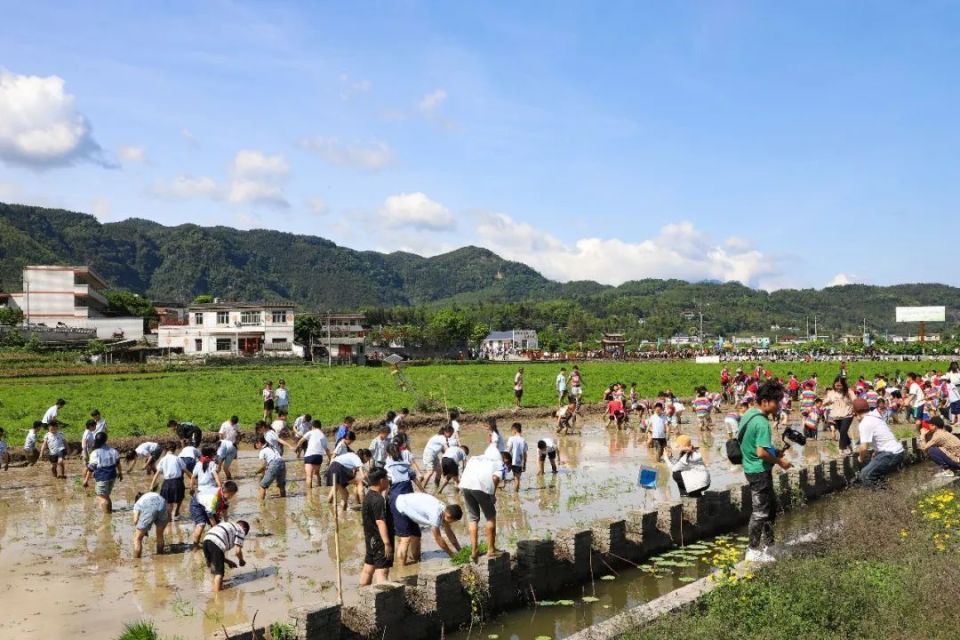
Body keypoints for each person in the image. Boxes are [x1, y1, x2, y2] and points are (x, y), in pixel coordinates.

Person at [739, 381, 792, 563]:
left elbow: (754, 445)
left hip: (751, 466)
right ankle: (753, 551)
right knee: (760, 511)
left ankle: (770, 546)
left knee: (770, 509)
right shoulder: (762, 423)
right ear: (765, 401)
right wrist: (780, 461)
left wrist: (774, 452)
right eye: (777, 402)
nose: (779, 406)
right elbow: (760, 453)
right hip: (758, 470)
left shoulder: (749, 414)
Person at [393, 492, 463, 564]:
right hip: (400, 506)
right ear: (448, 516)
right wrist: (451, 554)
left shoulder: (445, 510)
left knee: (416, 537)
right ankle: (402, 568)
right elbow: (438, 538)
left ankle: (414, 563)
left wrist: (460, 550)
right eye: (452, 521)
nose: (451, 523)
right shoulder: (435, 515)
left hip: (412, 510)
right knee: (405, 539)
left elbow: (449, 532)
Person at [458, 455, 503, 563]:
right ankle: (491, 549)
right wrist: (492, 494)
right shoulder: (500, 463)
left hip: (465, 485)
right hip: (480, 486)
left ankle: (474, 551)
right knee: (490, 517)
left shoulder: (475, 458)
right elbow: (496, 478)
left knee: (473, 518)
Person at [854, 398, 904, 489]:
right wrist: (877, 451)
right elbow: (882, 437)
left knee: (865, 475)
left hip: (890, 454)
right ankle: (890, 493)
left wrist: (860, 458)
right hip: (898, 452)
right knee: (874, 474)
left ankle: (884, 499)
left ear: (856, 413)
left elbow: (863, 448)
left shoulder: (865, 422)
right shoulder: (875, 416)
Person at [360, 468, 393, 586]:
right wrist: (387, 544)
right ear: (381, 480)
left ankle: (363, 594)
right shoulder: (378, 500)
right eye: (387, 479)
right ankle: (382, 600)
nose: (388, 481)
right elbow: (380, 522)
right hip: (379, 541)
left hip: (370, 539)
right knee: (382, 572)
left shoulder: (368, 496)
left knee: (368, 569)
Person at [203, 520, 249, 592]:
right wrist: (241, 560)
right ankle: (217, 596)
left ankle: (214, 586)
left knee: (213, 568)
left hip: (206, 540)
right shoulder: (241, 530)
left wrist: (229, 562)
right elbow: (238, 551)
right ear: (245, 529)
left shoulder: (228, 524)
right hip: (217, 542)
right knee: (219, 573)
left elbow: (218, 555)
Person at [83, 432, 122, 513]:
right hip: (112, 476)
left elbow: (91, 468)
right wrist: (120, 473)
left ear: (96, 440)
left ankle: (107, 516)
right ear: (106, 440)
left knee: (101, 497)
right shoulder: (113, 450)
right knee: (106, 496)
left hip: (102, 476)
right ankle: (109, 512)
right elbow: (118, 463)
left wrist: (86, 480)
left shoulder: (95, 452)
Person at [190, 481, 238, 546]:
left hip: (207, 504)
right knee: (201, 525)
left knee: (217, 523)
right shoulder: (214, 497)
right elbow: (210, 515)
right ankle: (195, 546)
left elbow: (224, 510)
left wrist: (227, 524)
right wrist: (215, 528)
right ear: (228, 492)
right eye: (232, 495)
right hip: (197, 503)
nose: (232, 497)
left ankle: (211, 541)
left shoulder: (224, 495)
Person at [151, 442, 187, 520]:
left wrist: (152, 485)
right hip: (178, 482)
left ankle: (169, 518)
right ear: (174, 450)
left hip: (166, 483)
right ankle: (176, 513)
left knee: (168, 502)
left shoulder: (163, 459)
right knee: (180, 498)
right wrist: (193, 481)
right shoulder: (178, 458)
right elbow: (186, 471)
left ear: (165, 450)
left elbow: (157, 474)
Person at [823, 376, 857, 454]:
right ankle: (849, 445)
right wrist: (826, 402)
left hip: (848, 414)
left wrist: (856, 411)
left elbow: (855, 400)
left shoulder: (848, 392)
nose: (838, 387)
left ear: (843, 385)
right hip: (836, 415)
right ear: (834, 384)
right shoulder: (831, 392)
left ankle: (841, 449)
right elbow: (826, 401)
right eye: (837, 385)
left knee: (843, 430)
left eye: (840, 385)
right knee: (842, 432)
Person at [132, 491, 168, 558]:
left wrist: (142, 529)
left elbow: (135, 520)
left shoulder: (138, 503)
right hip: (162, 503)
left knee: (137, 538)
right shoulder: (150, 494)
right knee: (160, 534)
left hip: (149, 506)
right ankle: (160, 555)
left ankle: (137, 559)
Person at [296, 419, 330, 490]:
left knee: (309, 476)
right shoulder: (323, 435)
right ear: (320, 427)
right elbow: (326, 449)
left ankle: (309, 494)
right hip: (318, 457)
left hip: (309, 455)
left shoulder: (310, 432)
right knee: (316, 473)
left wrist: (296, 448)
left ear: (313, 426)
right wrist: (330, 459)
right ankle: (319, 487)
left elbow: (301, 441)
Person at [255, 435, 287, 500]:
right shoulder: (272, 447)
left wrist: (257, 472)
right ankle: (283, 500)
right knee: (281, 485)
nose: (257, 448)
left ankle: (261, 504)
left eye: (256, 445)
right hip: (282, 462)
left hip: (274, 464)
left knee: (262, 486)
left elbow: (263, 466)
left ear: (259, 443)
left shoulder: (262, 451)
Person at [506, 422, 527, 491]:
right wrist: (524, 464)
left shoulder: (511, 438)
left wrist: (504, 460)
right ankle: (516, 493)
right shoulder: (523, 440)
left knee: (503, 475)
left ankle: (501, 489)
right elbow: (525, 454)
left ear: (514, 430)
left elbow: (508, 450)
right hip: (518, 462)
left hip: (510, 461)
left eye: (512, 431)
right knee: (517, 478)